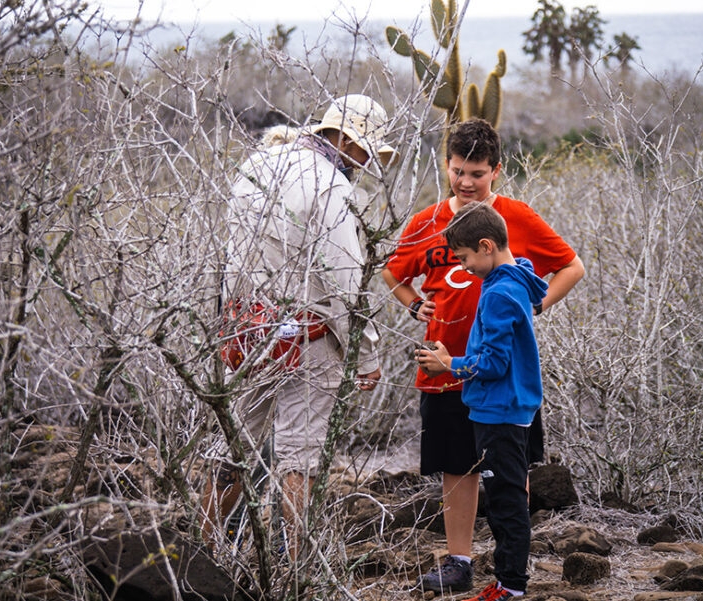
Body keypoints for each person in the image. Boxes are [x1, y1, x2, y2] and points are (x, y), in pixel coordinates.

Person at [381, 118, 584, 592]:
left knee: (509, 466)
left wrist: (533, 306)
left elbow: (571, 266)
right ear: (447, 167)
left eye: (477, 173)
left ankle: (512, 562)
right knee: (457, 464)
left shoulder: (516, 217)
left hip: (499, 374)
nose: (466, 182)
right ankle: (459, 561)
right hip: (444, 365)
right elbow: (393, 272)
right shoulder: (427, 221)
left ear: (497, 170)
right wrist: (413, 303)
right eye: (458, 171)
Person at [201, 94, 397, 560]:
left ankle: (204, 552)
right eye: (367, 150)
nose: (367, 162)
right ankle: (297, 571)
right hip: (310, 336)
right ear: (347, 140)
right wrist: (364, 355)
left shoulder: (256, 166)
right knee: (301, 458)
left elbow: (232, 252)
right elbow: (345, 283)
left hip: (245, 328)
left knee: (234, 446)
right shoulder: (331, 186)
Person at [416, 201, 548, 600]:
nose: (464, 267)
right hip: (509, 407)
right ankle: (509, 582)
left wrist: (448, 364)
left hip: (500, 411)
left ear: (487, 246)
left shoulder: (500, 293)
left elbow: (492, 363)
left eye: (465, 258)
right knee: (507, 497)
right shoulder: (516, 278)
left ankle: (510, 587)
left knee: (506, 503)